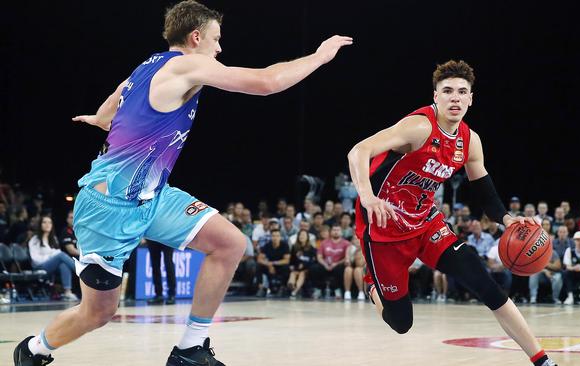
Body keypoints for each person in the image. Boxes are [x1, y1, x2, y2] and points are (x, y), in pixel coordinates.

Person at [13, 2, 352, 365]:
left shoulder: (148, 65)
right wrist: (319, 56)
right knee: (98, 313)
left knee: (230, 243)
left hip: (152, 197)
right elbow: (268, 82)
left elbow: (113, 105)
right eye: (216, 39)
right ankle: (34, 349)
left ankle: (190, 348)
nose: (219, 48)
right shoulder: (189, 64)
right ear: (196, 37)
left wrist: (100, 119)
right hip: (108, 209)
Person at [347, 60, 557, 366]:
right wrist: (367, 197)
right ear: (436, 96)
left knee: (487, 286)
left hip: (427, 224)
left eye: (462, 91)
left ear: (471, 98)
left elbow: (484, 191)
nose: (455, 97)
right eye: (447, 91)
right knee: (401, 323)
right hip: (383, 228)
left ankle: (543, 361)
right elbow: (358, 151)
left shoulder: (469, 141)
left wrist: (507, 220)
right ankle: (372, 285)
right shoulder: (418, 127)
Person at [28, 216, 79, 302]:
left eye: (50, 222)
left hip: (52, 266)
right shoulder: (35, 240)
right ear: (40, 225)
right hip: (40, 267)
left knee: (63, 264)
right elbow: (35, 260)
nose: (47, 224)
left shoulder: (53, 239)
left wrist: (53, 256)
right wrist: (51, 256)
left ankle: (67, 292)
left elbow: (56, 254)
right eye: (44, 222)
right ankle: (80, 270)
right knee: (61, 255)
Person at [287, 229, 316, 298]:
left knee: (302, 274)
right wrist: (292, 266)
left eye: (303, 235)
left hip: (306, 269)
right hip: (296, 268)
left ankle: (295, 291)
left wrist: (304, 265)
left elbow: (312, 261)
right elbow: (292, 260)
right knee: (292, 273)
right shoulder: (294, 247)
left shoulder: (311, 248)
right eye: (300, 235)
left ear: (307, 237)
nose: (301, 236)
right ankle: (291, 285)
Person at [146, 240, 177, 305]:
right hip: (153, 237)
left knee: (168, 263)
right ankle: (158, 294)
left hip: (167, 235)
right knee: (155, 265)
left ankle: (172, 294)